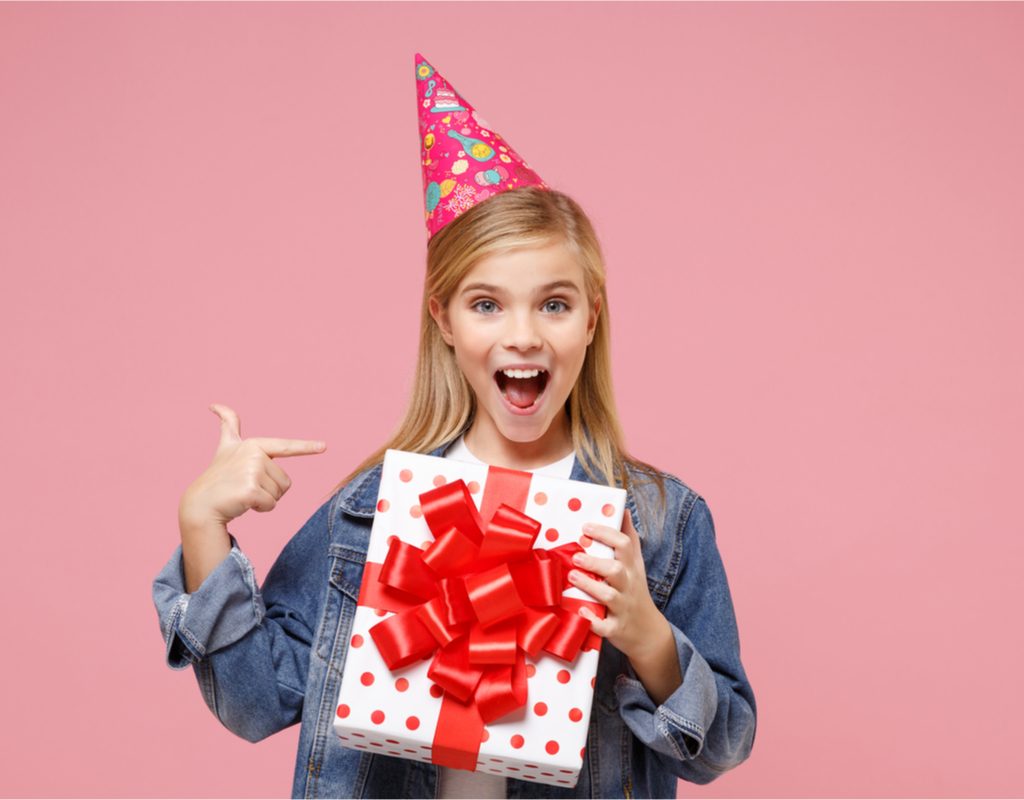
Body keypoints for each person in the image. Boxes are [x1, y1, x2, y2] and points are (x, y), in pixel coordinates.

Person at [152, 54, 757, 799]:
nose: (524, 336)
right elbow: (256, 703)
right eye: (487, 304)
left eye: (555, 304)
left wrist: (647, 637)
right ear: (442, 318)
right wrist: (201, 527)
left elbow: (721, 747)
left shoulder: (662, 524)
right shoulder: (369, 510)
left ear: (592, 318)